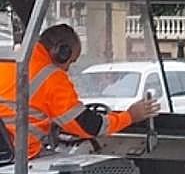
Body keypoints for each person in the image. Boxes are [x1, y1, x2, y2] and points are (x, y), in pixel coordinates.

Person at [0, 24, 159, 159]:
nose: (68, 69)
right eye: (71, 61)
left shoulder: (10, 61)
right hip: (23, 158)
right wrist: (130, 116)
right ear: (62, 53)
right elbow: (89, 127)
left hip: (5, 156)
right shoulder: (52, 78)